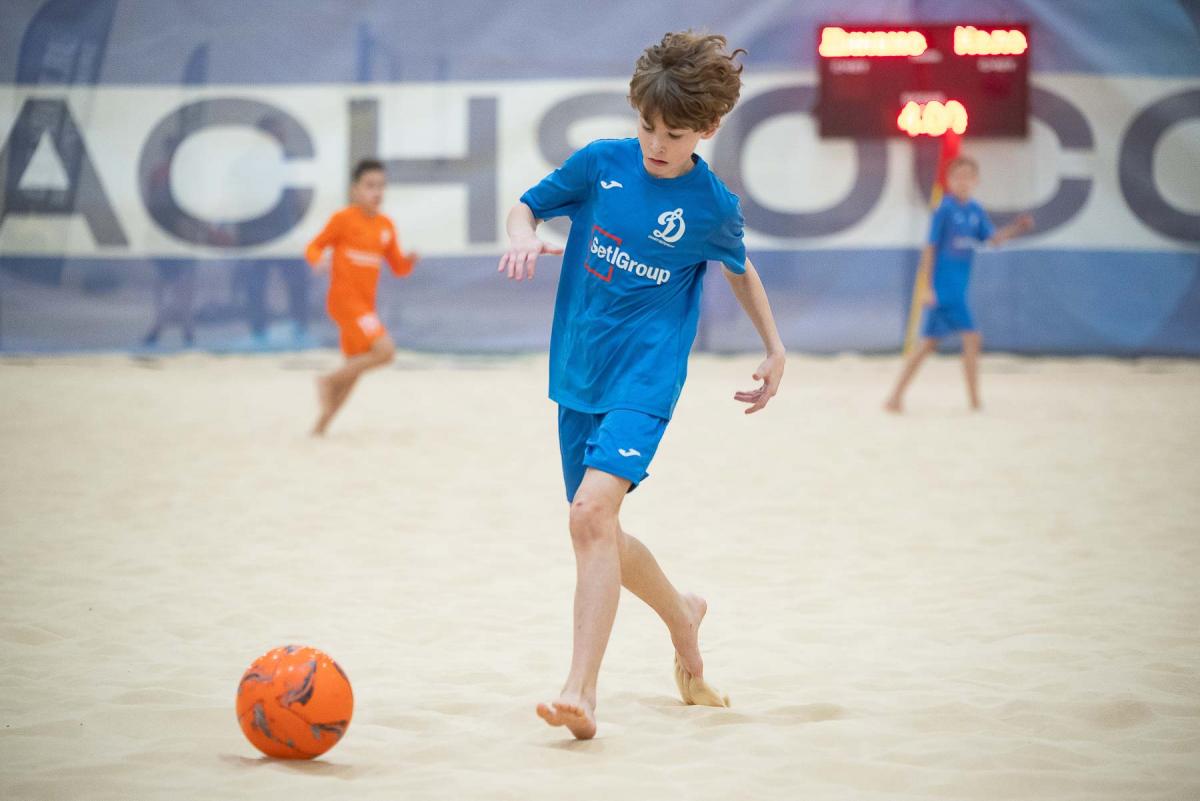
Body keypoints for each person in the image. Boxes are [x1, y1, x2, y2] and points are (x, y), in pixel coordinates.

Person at [498, 31, 786, 740]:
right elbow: (525, 206)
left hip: (645, 379)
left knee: (590, 513)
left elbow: (739, 268)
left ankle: (580, 691)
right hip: (578, 370)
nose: (657, 143)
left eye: (675, 134)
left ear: (708, 129)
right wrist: (521, 234)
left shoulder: (711, 205)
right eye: (648, 126)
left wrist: (774, 347)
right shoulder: (601, 163)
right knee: (595, 525)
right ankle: (682, 612)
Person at [885, 156, 1034, 412]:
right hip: (945, 289)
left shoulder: (975, 210)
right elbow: (930, 248)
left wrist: (1016, 228)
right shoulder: (944, 209)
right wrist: (927, 288)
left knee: (928, 345)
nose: (963, 182)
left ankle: (895, 398)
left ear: (976, 180)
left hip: (958, 287)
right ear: (950, 181)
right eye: (958, 177)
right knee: (972, 337)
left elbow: (993, 240)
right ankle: (975, 402)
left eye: (968, 176)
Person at [305, 159, 418, 435]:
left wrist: (409, 261)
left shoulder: (386, 226)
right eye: (370, 186)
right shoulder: (343, 220)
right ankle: (327, 380)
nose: (377, 192)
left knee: (353, 370)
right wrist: (318, 259)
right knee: (385, 352)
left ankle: (320, 428)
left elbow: (398, 268)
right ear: (354, 190)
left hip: (366, 306)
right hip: (344, 301)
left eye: (381, 186)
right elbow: (314, 246)